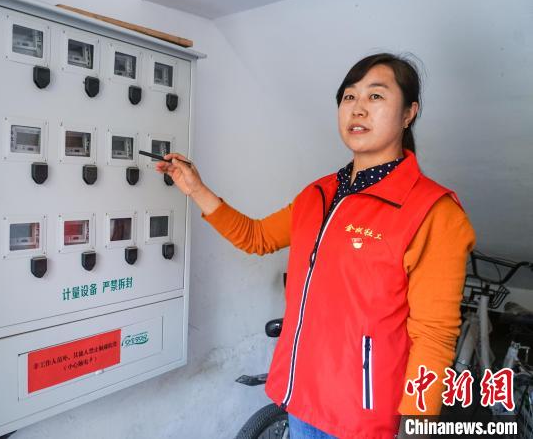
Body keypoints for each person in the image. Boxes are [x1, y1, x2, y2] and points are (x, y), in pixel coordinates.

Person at [156, 53, 476, 438]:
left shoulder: (434, 212)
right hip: (302, 401)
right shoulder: (318, 195)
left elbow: (434, 336)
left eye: (375, 96)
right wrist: (195, 188)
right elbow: (256, 237)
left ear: (409, 113)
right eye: (348, 97)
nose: (358, 108)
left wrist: (417, 425)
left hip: (364, 420)